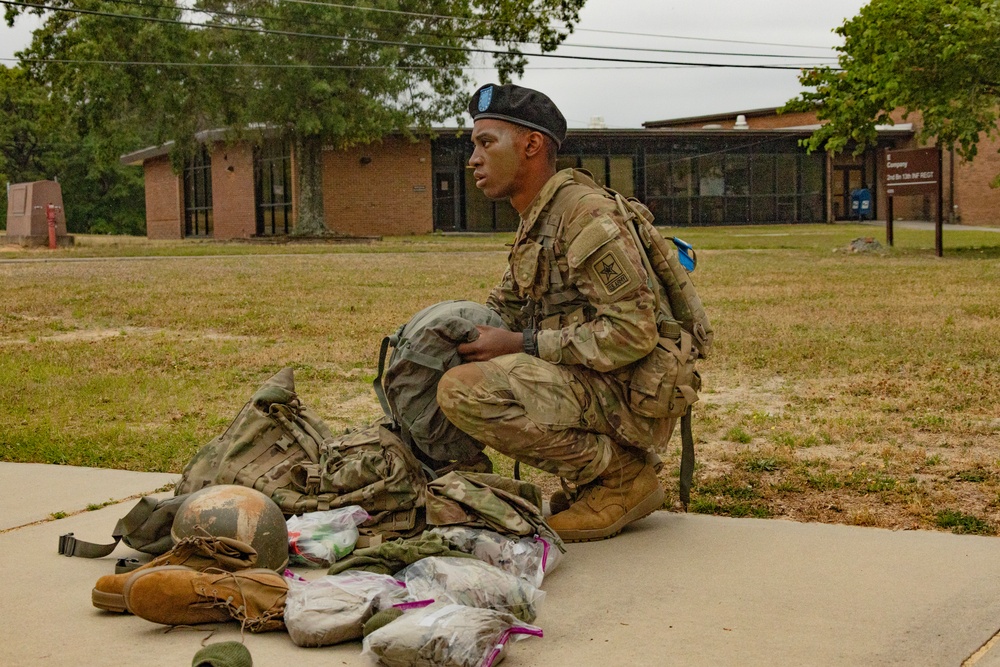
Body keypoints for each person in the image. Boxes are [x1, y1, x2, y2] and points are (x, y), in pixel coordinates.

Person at [437, 83, 675, 542]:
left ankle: (621, 477)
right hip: (591, 379)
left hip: (628, 391)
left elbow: (633, 332)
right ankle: (594, 478)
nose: (473, 160)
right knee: (445, 364)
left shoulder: (582, 215)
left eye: (487, 143)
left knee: (464, 391)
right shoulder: (539, 217)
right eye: (474, 145)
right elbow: (505, 308)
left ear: (531, 144)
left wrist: (522, 344)